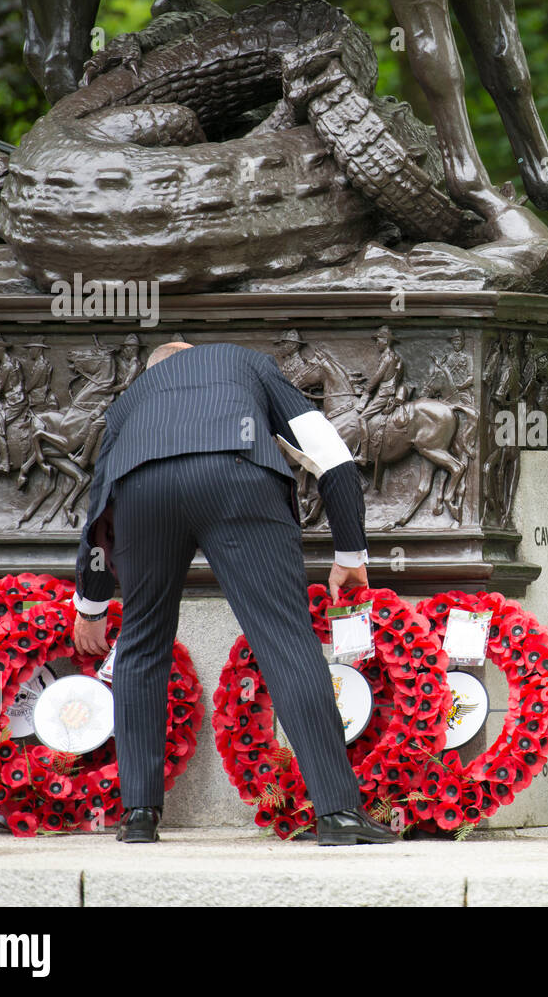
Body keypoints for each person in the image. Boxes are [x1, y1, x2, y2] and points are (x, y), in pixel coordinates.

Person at [69, 340, 396, 846]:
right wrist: (350, 553)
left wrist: (90, 605)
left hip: (141, 493)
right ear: (196, 355)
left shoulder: (129, 402)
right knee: (285, 640)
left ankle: (138, 815)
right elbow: (330, 454)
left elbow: (97, 509)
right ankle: (338, 813)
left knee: (139, 645)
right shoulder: (245, 363)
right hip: (237, 476)